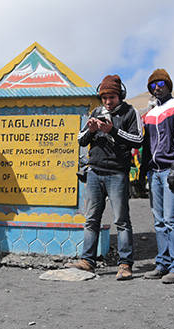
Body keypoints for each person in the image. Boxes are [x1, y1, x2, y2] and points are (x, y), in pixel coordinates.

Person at [66, 75, 143, 279]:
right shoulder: (97, 112)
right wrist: (91, 131)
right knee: (91, 219)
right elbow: (81, 140)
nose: (108, 102)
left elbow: (138, 140)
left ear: (120, 95)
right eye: (105, 97)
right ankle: (87, 260)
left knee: (121, 220)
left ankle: (125, 264)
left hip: (117, 173)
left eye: (112, 97)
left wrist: (113, 131)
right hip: (94, 171)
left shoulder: (130, 112)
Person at [139, 68, 174, 284]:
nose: (157, 88)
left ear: (169, 85)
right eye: (153, 85)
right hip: (154, 171)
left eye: (161, 84)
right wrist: (143, 172)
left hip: (171, 168)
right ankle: (163, 263)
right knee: (159, 220)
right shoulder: (149, 114)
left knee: (171, 219)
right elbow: (146, 145)